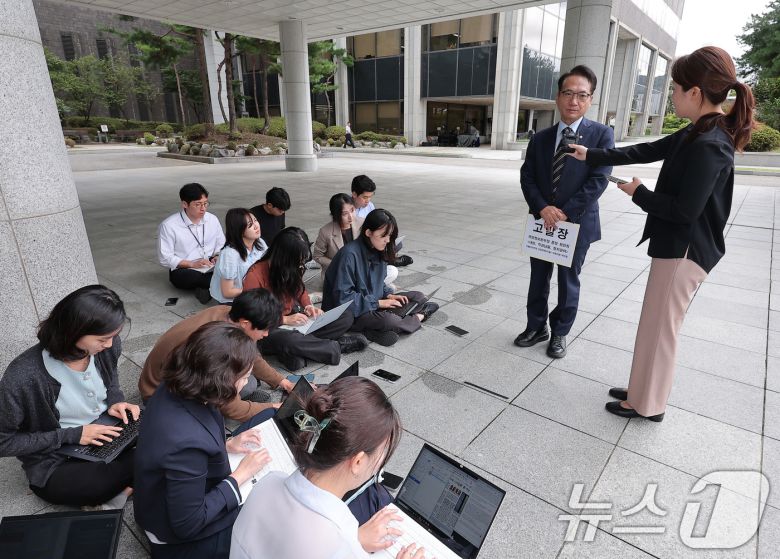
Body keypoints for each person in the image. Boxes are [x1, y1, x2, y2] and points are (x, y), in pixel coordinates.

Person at [568, 46, 755, 422]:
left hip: (686, 252)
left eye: (675, 89)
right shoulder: (699, 130)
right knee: (654, 323)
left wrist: (639, 193)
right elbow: (647, 149)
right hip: (676, 247)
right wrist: (593, 155)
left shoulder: (710, 143)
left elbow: (685, 211)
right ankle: (641, 390)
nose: (672, 96)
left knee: (662, 330)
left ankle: (649, 405)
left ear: (695, 93)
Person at [230, 376, 429, 559]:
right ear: (358, 462)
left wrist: (353, 540)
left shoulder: (267, 482)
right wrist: (352, 543)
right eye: (382, 454)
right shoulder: (341, 542)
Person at [134, 322, 271, 558]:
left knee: (266, 416)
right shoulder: (186, 442)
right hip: (179, 540)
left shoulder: (179, 385)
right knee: (271, 511)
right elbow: (188, 524)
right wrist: (240, 476)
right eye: (245, 377)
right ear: (222, 380)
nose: (245, 384)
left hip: (165, 495)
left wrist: (227, 444)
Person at [0, 285, 139, 509]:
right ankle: (133, 480)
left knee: (165, 430)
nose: (110, 344)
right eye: (103, 339)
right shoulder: (23, 376)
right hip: (57, 459)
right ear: (73, 330)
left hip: (106, 429)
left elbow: (111, 379)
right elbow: (3, 442)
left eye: (114, 336)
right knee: (148, 457)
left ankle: (125, 486)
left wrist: (116, 401)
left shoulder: (107, 347)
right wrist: (72, 435)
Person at [514, 64, 614, 359]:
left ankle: (560, 332)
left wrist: (563, 213)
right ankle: (536, 327)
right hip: (541, 221)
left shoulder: (601, 135)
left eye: (582, 95)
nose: (574, 101)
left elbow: (599, 180)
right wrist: (543, 208)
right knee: (538, 277)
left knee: (569, 281)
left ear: (591, 99)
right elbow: (527, 176)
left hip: (577, 223)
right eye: (568, 93)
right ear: (558, 96)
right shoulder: (541, 138)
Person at [139, 289, 294, 423]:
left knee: (248, 382)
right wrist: (273, 407)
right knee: (247, 385)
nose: (266, 335)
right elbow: (232, 409)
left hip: (173, 379)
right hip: (159, 395)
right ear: (245, 324)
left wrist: (283, 382)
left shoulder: (229, 314)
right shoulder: (220, 347)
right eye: (264, 330)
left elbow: (253, 356)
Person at [243, 227, 367, 371]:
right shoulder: (254, 275)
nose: (300, 265)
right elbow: (253, 318)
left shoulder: (291, 267)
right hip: (270, 329)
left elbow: (299, 289)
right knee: (289, 339)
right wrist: (284, 320)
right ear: (284, 257)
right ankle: (336, 346)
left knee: (345, 316)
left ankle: (298, 350)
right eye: (298, 261)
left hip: (295, 322)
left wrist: (308, 306)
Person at [322, 209, 438, 347]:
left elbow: (379, 283)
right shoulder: (349, 255)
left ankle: (375, 329)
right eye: (383, 236)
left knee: (419, 297)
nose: (387, 240)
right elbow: (343, 298)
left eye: (390, 235)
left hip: (373, 303)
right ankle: (420, 316)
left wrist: (388, 295)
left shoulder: (379, 250)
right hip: (354, 312)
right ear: (368, 233)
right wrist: (378, 303)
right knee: (390, 321)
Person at [158, 183, 226, 304]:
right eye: (198, 204)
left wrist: (217, 256)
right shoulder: (169, 225)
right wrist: (192, 264)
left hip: (209, 263)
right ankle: (217, 286)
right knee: (194, 277)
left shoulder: (212, 219)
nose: (203, 208)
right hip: (185, 268)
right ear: (185, 204)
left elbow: (221, 243)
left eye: (205, 203)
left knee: (231, 265)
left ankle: (209, 287)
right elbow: (165, 258)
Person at [313, 193, 399, 287]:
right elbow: (317, 256)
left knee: (392, 271)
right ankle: (374, 287)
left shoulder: (362, 222)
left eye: (352, 210)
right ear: (336, 215)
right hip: (339, 273)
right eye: (345, 214)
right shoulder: (325, 232)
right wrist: (337, 263)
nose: (350, 216)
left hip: (361, 269)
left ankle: (374, 287)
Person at [351, 175, 413, 267]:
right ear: (354, 194)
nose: (368, 201)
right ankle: (389, 261)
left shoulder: (370, 206)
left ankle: (387, 260)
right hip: (362, 241)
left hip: (373, 238)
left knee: (396, 244)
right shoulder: (348, 210)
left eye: (370, 197)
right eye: (365, 197)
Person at [210, 208, 267, 304]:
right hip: (234, 300)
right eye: (250, 225)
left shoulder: (260, 242)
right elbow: (227, 292)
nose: (256, 226)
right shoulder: (229, 254)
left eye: (255, 220)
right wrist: (257, 290)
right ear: (239, 230)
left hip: (254, 292)